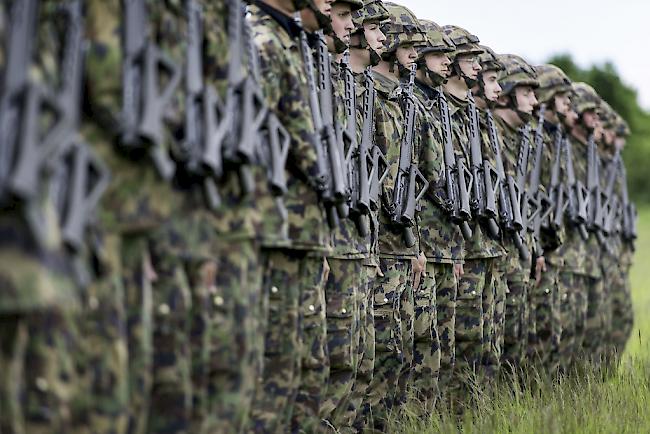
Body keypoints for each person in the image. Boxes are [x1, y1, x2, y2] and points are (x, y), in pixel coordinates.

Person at [247, 0, 333, 430]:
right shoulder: (264, 44)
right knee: (275, 365)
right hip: (274, 228)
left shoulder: (289, 43)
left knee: (304, 362)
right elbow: (254, 140)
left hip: (299, 230)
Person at [366, 2, 427, 428]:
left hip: (402, 245)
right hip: (378, 245)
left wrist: (415, 244)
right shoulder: (367, 92)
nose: (414, 52)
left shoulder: (404, 104)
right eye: (407, 41)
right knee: (377, 355)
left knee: (401, 352)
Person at [441, 25, 506, 408]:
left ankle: (478, 415)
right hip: (458, 245)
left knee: (485, 341)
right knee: (459, 342)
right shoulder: (440, 113)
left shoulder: (475, 119)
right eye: (472, 62)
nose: (483, 75)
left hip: (486, 244)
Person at [411, 19, 462, 408]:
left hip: (444, 242)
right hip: (418, 243)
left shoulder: (439, 106)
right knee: (414, 345)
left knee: (441, 344)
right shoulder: (411, 102)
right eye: (439, 54)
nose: (449, 63)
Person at [492, 54, 540, 369]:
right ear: (508, 95)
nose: (535, 101)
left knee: (513, 343)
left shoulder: (517, 140)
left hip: (517, 254)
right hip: (495, 254)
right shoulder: (488, 135)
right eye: (527, 93)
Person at [568, 82, 605, 365]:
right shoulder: (564, 147)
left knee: (585, 323)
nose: (596, 119)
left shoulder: (588, 151)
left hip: (586, 251)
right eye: (591, 112)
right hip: (565, 253)